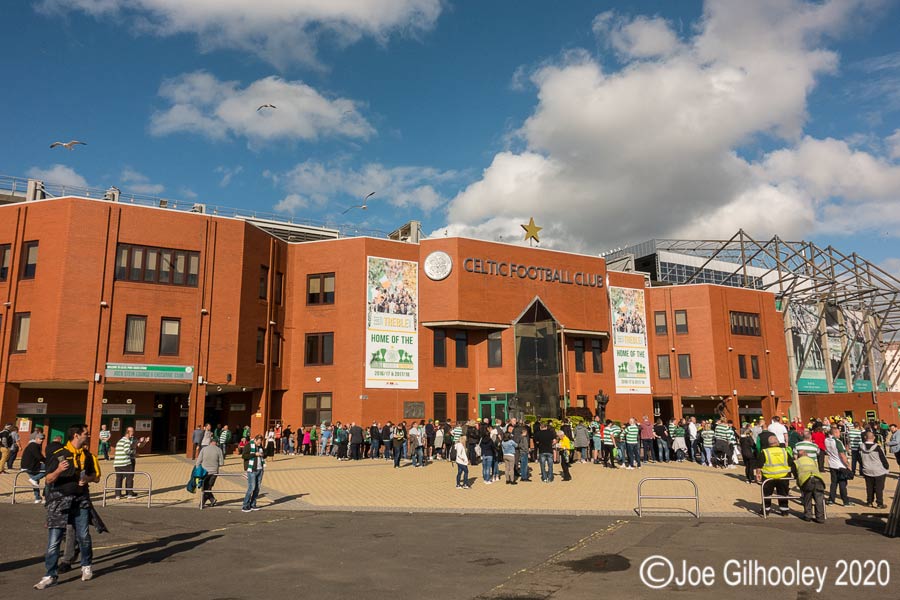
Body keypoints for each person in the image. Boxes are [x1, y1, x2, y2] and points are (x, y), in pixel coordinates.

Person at [34, 424, 102, 589]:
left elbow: (96, 477)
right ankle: (50, 575)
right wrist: (58, 470)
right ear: (76, 435)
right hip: (60, 501)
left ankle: (86, 566)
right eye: (86, 433)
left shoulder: (87, 455)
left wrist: (87, 479)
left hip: (80, 499)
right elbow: (48, 479)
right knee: (54, 539)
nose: (89, 436)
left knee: (83, 535)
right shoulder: (59, 454)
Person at [756, 436, 793, 516]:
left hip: (769, 477)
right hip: (783, 476)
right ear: (777, 442)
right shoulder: (784, 451)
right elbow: (791, 462)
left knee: (767, 494)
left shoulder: (765, 452)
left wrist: (758, 474)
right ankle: (784, 511)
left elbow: (759, 465)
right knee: (783, 494)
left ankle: (766, 510)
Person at [113, 427, 147, 499]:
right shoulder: (127, 440)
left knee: (119, 478)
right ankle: (129, 494)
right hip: (126, 461)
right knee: (129, 477)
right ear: (128, 432)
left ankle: (118, 495)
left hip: (117, 462)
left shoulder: (120, 440)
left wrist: (143, 442)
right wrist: (134, 453)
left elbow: (139, 445)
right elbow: (126, 450)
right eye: (132, 431)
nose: (133, 433)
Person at [858, 431, 889, 509]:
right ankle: (879, 503)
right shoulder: (878, 448)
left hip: (867, 469)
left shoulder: (861, 447)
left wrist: (863, 467)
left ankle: (869, 502)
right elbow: (883, 459)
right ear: (874, 438)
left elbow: (859, 459)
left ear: (865, 437)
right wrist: (886, 467)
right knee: (879, 488)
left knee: (869, 487)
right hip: (878, 470)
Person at [795, 445, 825, 523]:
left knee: (807, 498)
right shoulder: (813, 461)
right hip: (818, 479)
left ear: (798, 456)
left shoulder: (797, 462)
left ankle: (808, 515)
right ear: (807, 455)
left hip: (806, 480)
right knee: (819, 499)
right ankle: (820, 517)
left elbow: (795, 474)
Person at [824, 426, 853, 507]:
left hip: (832, 464)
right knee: (842, 484)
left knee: (833, 483)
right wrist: (848, 465)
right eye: (838, 432)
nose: (840, 434)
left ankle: (831, 500)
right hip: (840, 465)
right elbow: (842, 455)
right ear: (835, 433)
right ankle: (845, 501)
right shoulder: (837, 442)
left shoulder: (826, 440)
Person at [196, 437, 225, 507]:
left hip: (204, 471)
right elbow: (221, 463)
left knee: (204, 488)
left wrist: (198, 469)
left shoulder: (204, 449)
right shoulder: (219, 450)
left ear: (210, 442)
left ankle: (203, 502)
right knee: (209, 487)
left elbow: (198, 461)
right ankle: (210, 500)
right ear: (216, 443)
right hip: (214, 472)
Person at [241, 434, 266, 512]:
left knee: (257, 488)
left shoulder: (260, 447)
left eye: (261, 442)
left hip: (260, 469)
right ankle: (245, 505)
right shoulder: (248, 445)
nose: (260, 443)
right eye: (258, 442)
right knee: (251, 487)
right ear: (255, 440)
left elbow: (264, 455)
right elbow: (244, 456)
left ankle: (253, 504)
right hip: (252, 469)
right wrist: (254, 454)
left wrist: (264, 454)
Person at [21, 432, 46, 503]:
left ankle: (37, 498)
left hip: (26, 466)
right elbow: (39, 456)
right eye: (40, 439)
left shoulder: (31, 445)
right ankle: (34, 478)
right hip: (31, 466)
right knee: (50, 468)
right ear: (36, 439)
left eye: (43, 439)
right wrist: (47, 461)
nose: (41, 440)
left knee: (35, 483)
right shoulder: (34, 445)